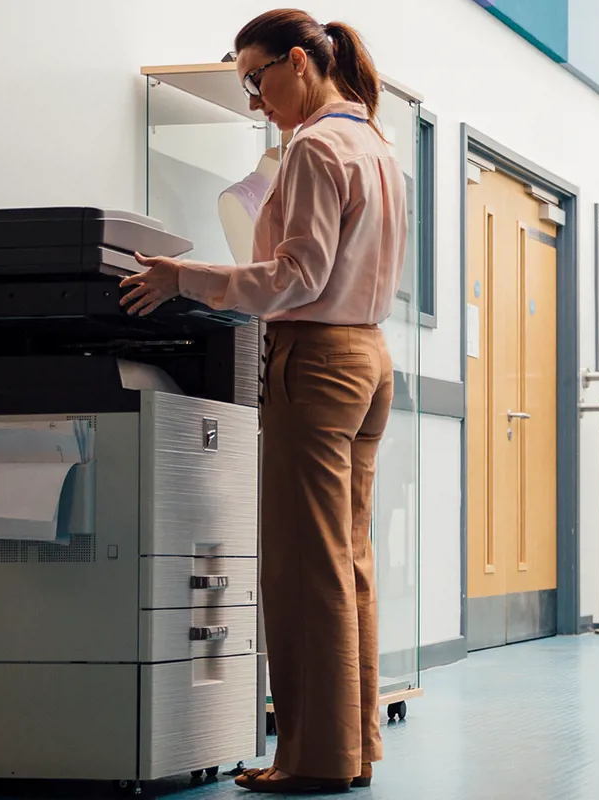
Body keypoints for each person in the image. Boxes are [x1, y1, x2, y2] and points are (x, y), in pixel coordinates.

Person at [119, 9, 403, 793]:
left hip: (314, 359)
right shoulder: (375, 142)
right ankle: (354, 748)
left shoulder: (313, 146)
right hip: (371, 359)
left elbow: (298, 275)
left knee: (302, 568)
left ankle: (313, 759)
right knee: (346, 562)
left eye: (257, 78)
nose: (254, 100)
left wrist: (187, 278)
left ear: (300, 64)